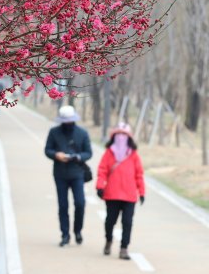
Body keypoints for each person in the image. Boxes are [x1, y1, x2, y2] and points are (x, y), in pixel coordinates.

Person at [44, 104, 93, 246]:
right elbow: (47, 150)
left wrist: (78, 157)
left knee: (80, 203)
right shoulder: (54, 132)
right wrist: (56, 155)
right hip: (60, 173)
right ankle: (65, 234)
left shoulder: (82, 133)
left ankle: (78, 230)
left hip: (77, 173)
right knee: (63, 205)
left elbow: (88, 153)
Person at [96, 122, 145, 260]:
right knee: (110, 221)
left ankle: (124, 248)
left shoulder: (133, 155)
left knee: (127, 222)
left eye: (124, 134)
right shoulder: (109, 153)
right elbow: (102, 170)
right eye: (119, 134)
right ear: (114, 136)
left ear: (129, 137)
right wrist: (100, 186)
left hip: (129, 195)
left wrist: (141, 192)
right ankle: (108, 240)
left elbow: (139, 174)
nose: (121, 137)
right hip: (112, 194)